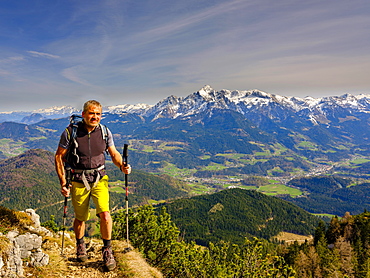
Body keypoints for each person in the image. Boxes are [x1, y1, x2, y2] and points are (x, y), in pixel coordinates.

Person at [55, 100, 131, 271]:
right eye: (91, 113)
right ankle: (80, 245)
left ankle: (107, 250)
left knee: (105, 214)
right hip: (78, 180)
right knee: (81, 218)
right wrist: (63, 182)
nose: (95, 117)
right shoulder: (70, 132)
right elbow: (59, 156)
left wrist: (122, 166)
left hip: (99, 179)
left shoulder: (104, 132)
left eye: (98, 114)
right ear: (83, 114)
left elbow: (113, 153)